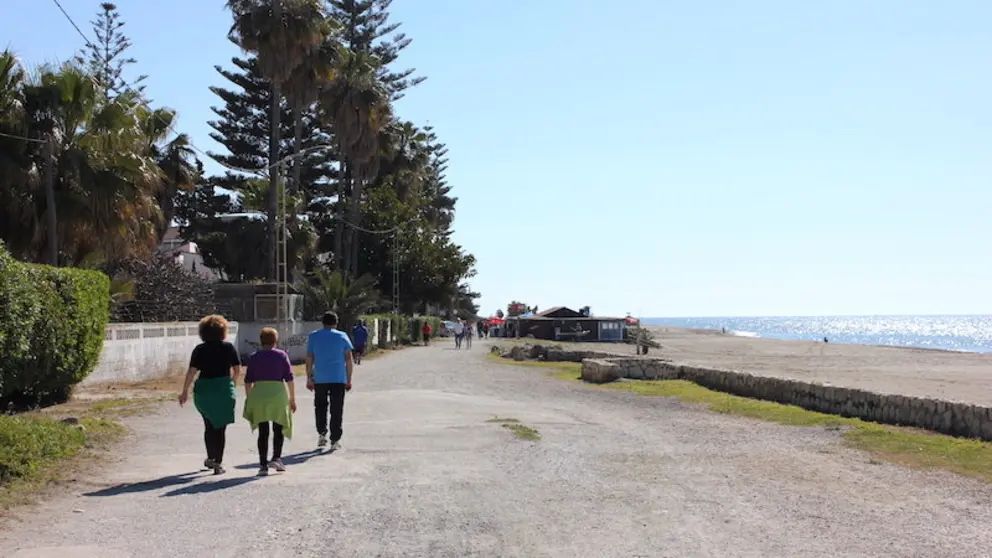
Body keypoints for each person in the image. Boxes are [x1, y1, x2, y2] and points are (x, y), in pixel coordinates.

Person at [179, 314, 241, 475]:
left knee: (208, 425)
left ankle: (211, 457)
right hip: (222, 388)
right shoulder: (228, 348)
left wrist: (184, 391)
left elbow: (192, 371)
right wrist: (232, 383)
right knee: (220, 428)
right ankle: (218, 462)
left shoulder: (200, 349)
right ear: (223, 331)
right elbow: (237, 370)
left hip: (204, 390)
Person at [243, 328, 296, 476]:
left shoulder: (254, 357)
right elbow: (289, 378)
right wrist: (292, 398)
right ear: (275, 340)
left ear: (261, 340)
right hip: (277, 393)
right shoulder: (282, 355)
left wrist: (249, 398)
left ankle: (262, 464)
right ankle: (277, 458)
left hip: (259, 393)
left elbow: (248, 381)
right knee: (278, 427)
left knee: (263, 431)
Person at [306, 311, 354, 450]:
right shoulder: (342, 336)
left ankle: (322, 433)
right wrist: (349, 379)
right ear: (336, 322)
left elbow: (309, 358)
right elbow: (348, 359)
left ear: (322, 322)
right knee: (336, 408)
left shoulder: (314, 336)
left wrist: (309, 377)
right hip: (338, 377)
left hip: (320, 377)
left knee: (320, 406)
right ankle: (334, 439)